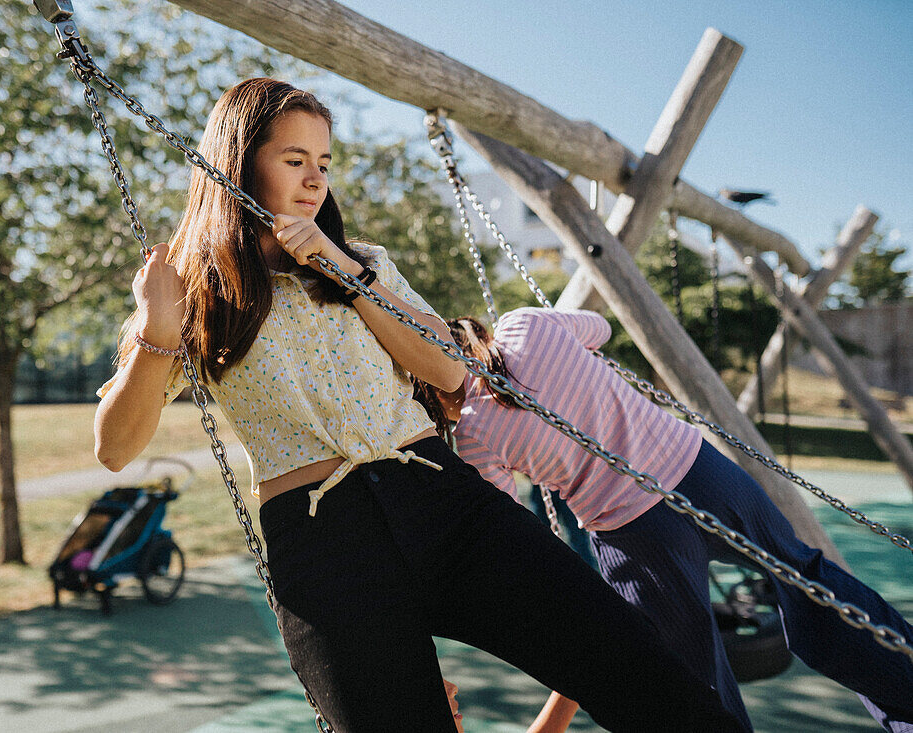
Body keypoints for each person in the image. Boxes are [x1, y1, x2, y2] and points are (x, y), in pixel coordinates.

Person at [93, 78, 747, 732]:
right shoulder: (193, 290)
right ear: (237, 159)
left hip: (444, 503)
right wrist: (157, 332)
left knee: (634, 662)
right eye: (294, 160)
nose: (314, 179)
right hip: (325, 546)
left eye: (323, 164)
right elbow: (115, 447)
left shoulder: (363, 261)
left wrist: (340, 268)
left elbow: (446, 369)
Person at [423, 307, 913, 732]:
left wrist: (547, 462)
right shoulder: (525, 325)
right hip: (702, 471)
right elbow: (600, 329)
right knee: (807, 580)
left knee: (691, 673)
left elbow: (512, 524)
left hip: (633, 534)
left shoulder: (472, 436)